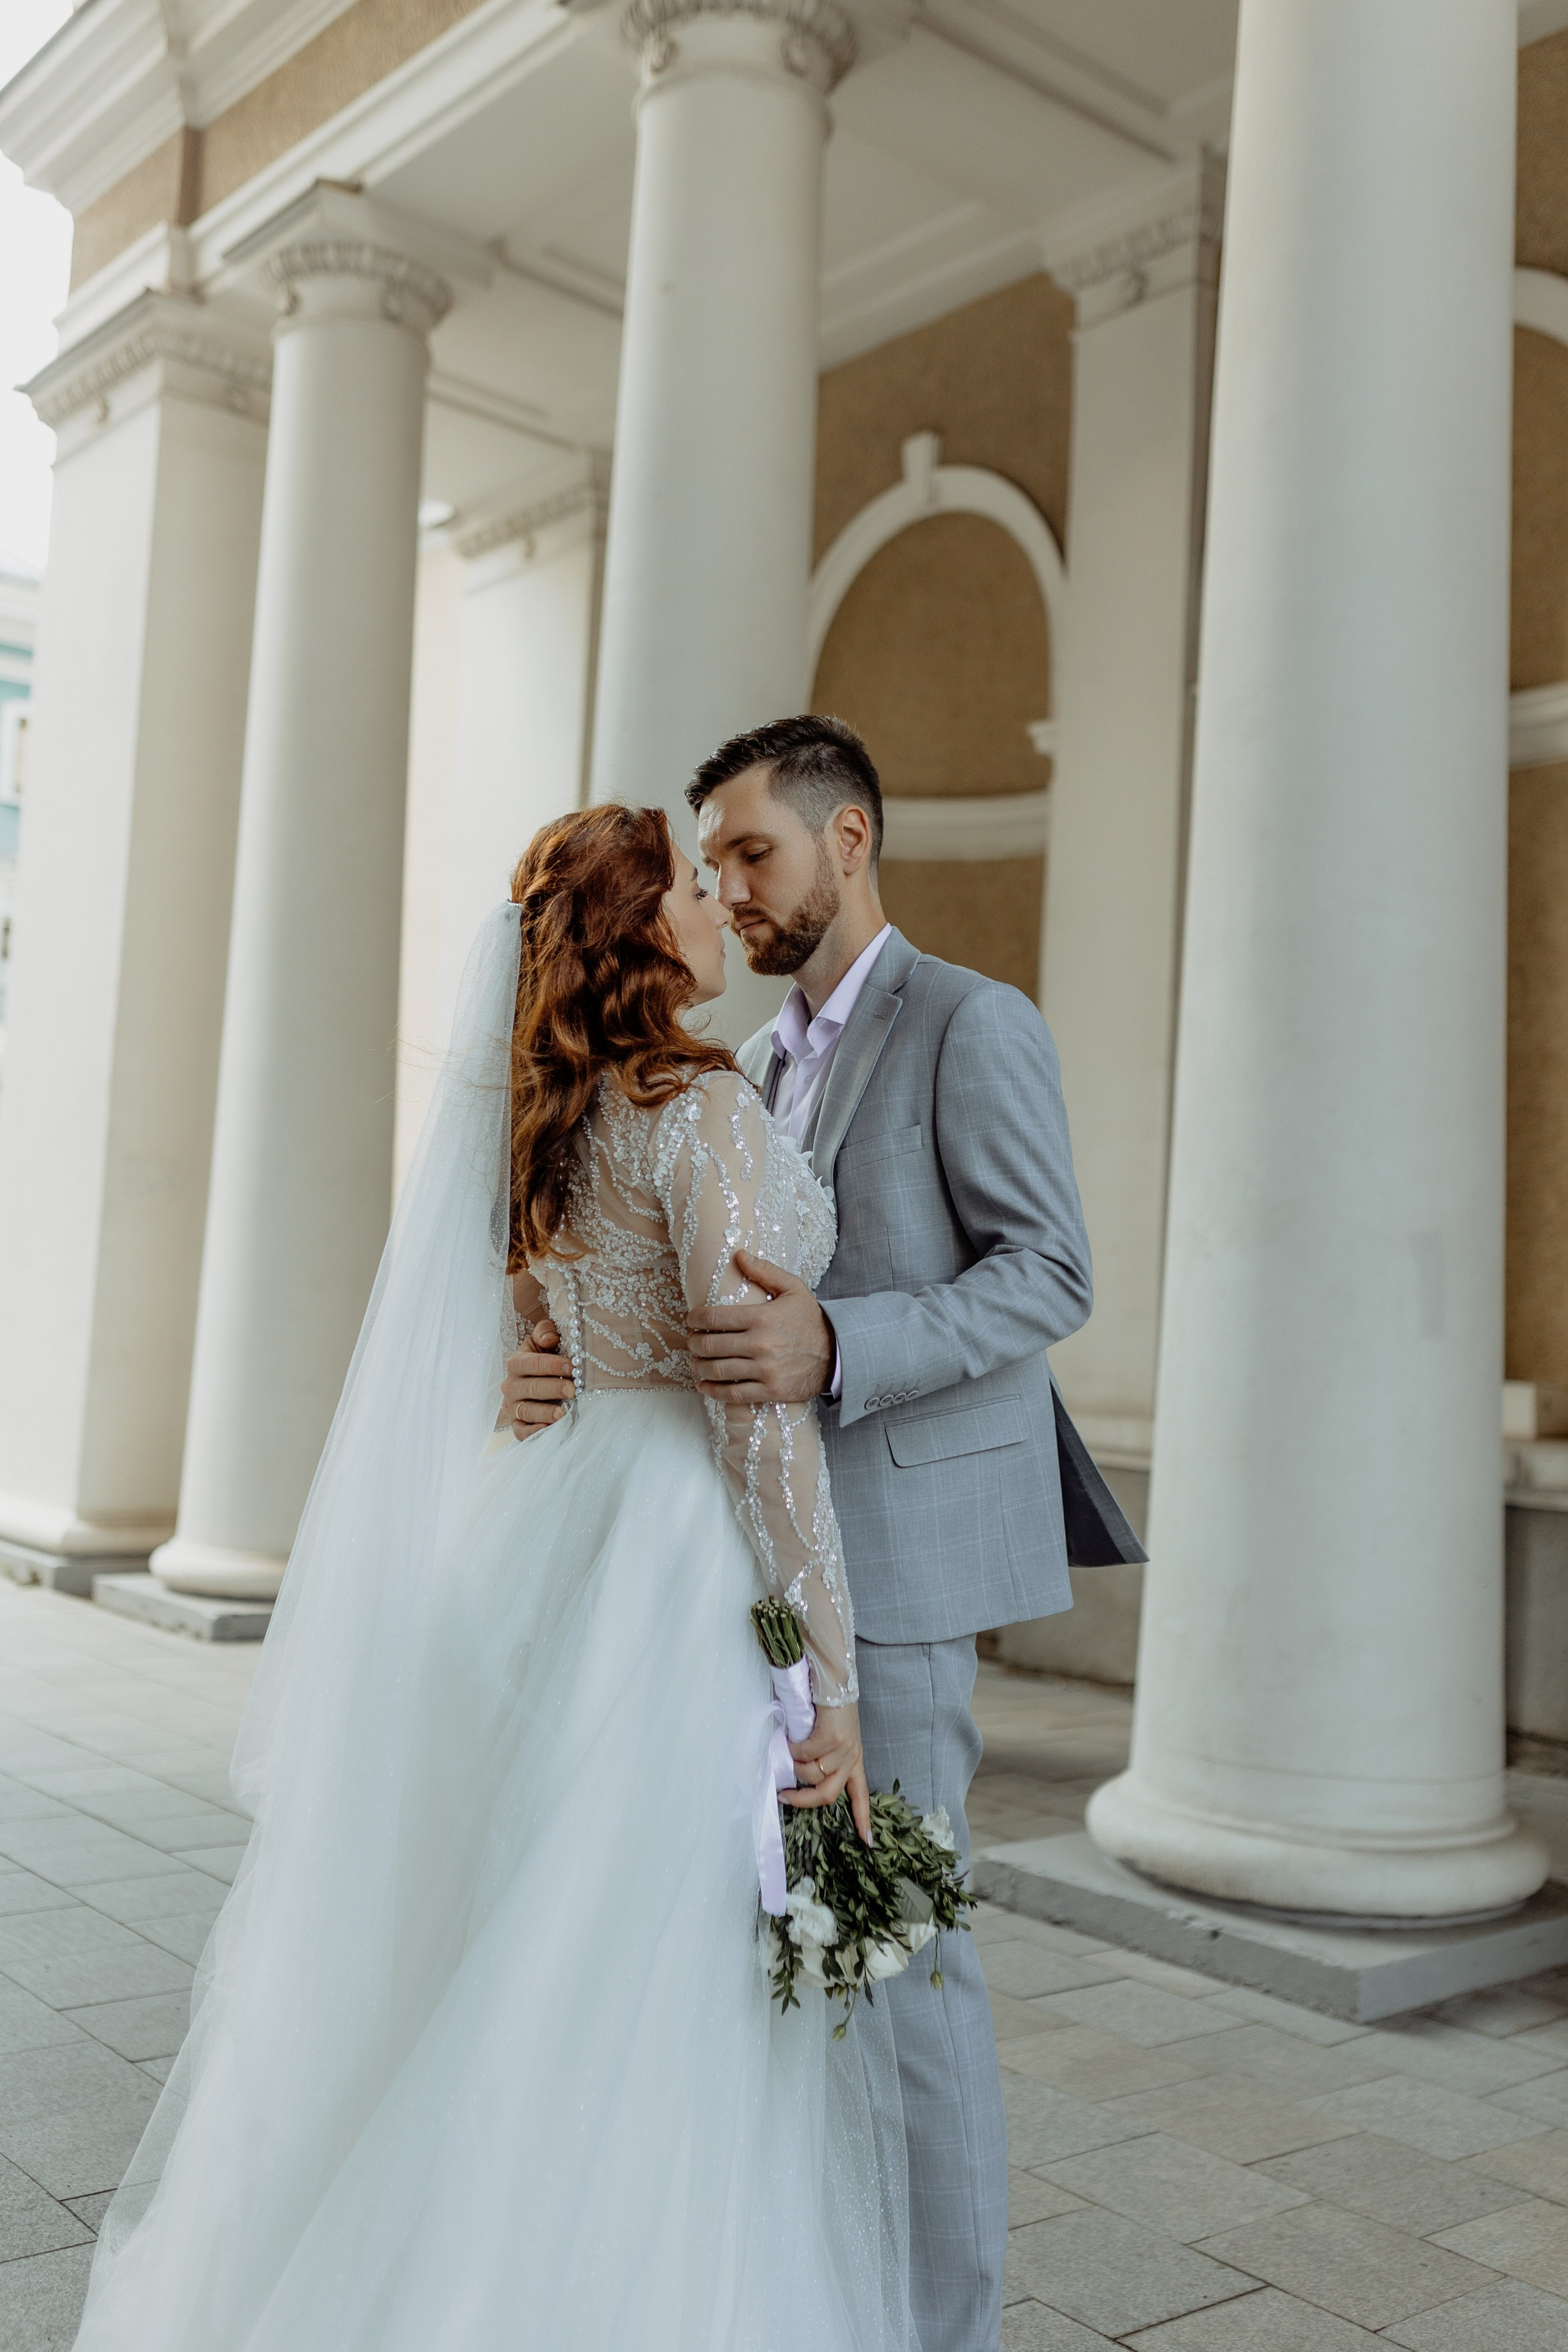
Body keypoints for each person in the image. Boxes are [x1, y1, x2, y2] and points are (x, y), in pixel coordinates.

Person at [71, 805, 910, 2352]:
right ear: (644, 927)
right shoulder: (701, 1106)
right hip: (667, 1556)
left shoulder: (549, 1114)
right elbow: (750, 1412)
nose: (721, 907)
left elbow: (521, 1337)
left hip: (548, 1529)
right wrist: (833, 1690)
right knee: (640, 1975)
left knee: (516, 1931)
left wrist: (547, 1375)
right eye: (691, 884)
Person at [505, 715, 1144, 2352]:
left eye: (751, 852)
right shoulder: (756, 1059)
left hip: (896, 1582)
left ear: (847, 840)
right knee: (791, 1968)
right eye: (710, 863)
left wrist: (840, 1346)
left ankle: (947, 2332)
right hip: (755, 1591)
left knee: (901, 1964)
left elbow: (1051, 1273)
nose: (729, 884)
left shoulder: (968, 1024)